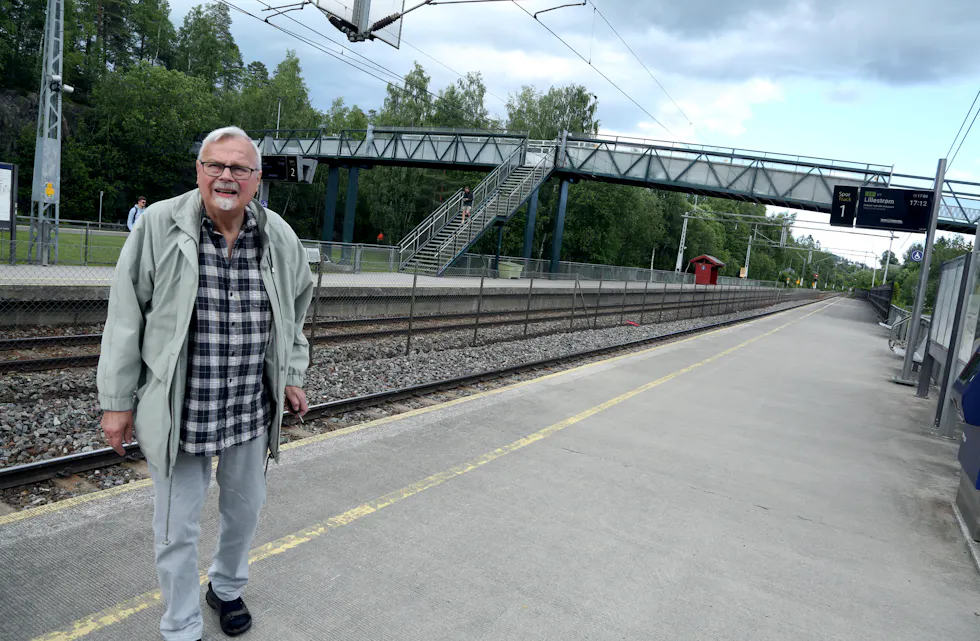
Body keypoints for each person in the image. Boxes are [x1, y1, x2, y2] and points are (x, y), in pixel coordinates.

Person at [97, 126, 314, 641]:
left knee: (244, 513)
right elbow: (125, 316)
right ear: (198, 171)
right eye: (215, 165)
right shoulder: (158, 225)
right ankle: (180, 626)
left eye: (239, 168)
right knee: (176, 530)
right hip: (181, 408)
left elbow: (296, 308)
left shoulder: (278, 236)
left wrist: (290, 373)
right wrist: (116, 402)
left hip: (248, 406)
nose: (226, 176)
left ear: (256, 180)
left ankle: (227, 588)